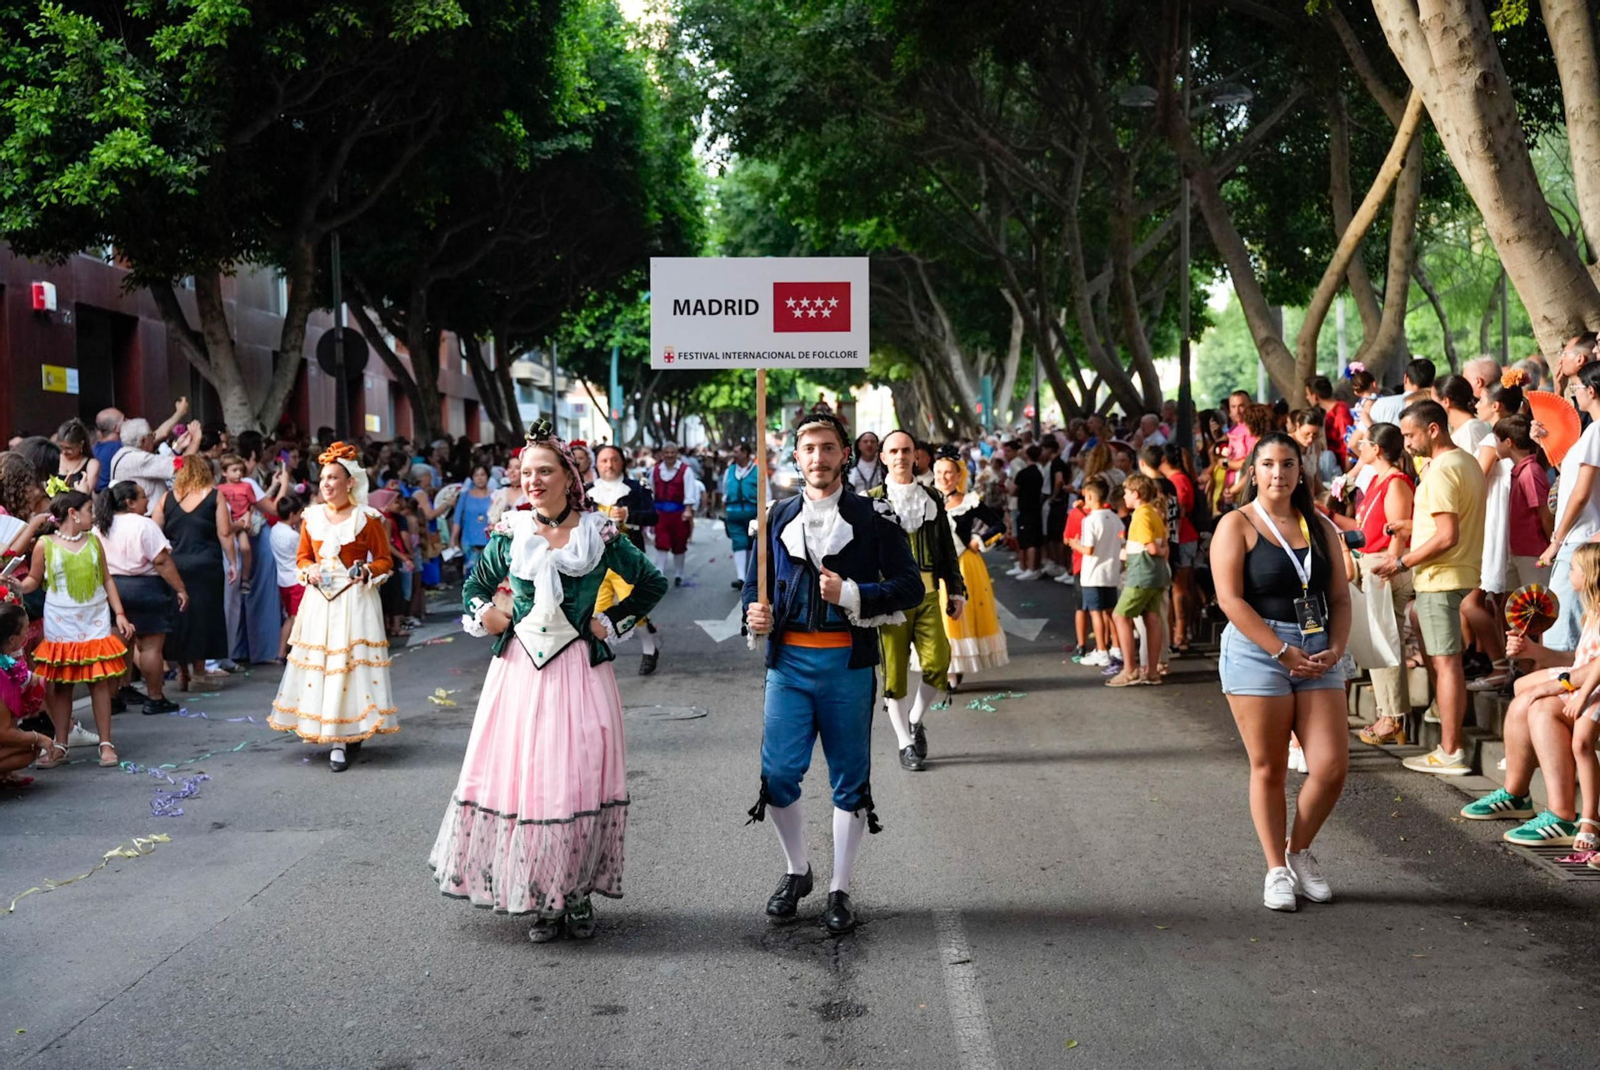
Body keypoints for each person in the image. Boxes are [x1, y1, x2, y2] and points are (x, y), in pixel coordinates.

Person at [432, 422, 667, 942]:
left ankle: (576, 892)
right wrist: (486, 614)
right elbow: (473, 585)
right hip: (518, 673)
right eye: (526, 472)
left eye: (545, 471)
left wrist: (614, 622)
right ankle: (544, 898)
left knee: (575, 778)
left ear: (568, 477)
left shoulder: (599, 532)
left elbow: (651, 582)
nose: (533, 480)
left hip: (580, 673)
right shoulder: (510, 531)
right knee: (531, 780)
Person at [742, 411, 923, 935]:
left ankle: (839, 887)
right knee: (777, 776)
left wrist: (852, 595)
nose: (817, 458)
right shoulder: (775, 516)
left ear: (845, 454)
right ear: (795, 457)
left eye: (827, 448)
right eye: (808, 449)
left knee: (850, 780)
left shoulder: (874, 516)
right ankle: (798, 871)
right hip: (789, 664)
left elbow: (910, 586)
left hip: (846, 662)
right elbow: (760, 590)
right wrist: (754, 615)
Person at [1211, 432, 1351, 911]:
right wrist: (1279, 651)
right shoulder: (1238, 523)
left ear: (1300, 471)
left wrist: (1336, 648)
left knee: (1331, 766)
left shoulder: (1322, 527)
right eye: (1268, 464)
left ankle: (1298, 853)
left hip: (1317, 648)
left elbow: (1339, 598)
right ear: (1253, 472)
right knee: (1269, 766)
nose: (1278, 473)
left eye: (1287, 464)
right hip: (1258, 650)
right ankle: (1275, 869)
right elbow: (1229, 600)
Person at [1460, 543, 1600, 852]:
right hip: (1589, 681)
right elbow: (1580, 658)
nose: (1566, 572)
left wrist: (1559, 686)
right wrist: (1534, 653)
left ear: (1588, 576)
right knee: (1523, 690)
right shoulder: (1591, 611)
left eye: (1572, 568)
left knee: (1538, 707)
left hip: (1595, 689)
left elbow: (1593, 666)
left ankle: (1562, 814)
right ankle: (1517, 792)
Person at [1375, 401, 1486, 777]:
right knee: (1446, 661)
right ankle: (1449, 745)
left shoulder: (1439, 471)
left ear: (1434, 428)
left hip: (1441, 577)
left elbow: (1447, 535)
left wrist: (1401, 561)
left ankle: (1450, 749)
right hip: (1458, 572)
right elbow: (1450, 524)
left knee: (1446, 663)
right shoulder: (1465, 461)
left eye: (1410, 434)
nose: (1405, 443)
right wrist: (1409, 527)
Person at [870, 429, 966, 771]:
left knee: (939, 662)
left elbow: (946, 550)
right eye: (893, 451)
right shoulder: (870, 500)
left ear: (916, 456)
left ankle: (915, 718)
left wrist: (955, 589)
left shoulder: (932, 498)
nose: (900, 456)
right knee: (893, 674)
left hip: (927, 595)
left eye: (906, 450)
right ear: (883, 457)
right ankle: (904, 742)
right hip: (890, 598)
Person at [18, 489, 135, 769]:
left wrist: (119, 613)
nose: (93, 515)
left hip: (94, 620)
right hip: (61, 622)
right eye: (90, 510)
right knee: (62, 686)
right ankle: (60, 744)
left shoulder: (94, 541)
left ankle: (106, 744)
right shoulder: (44, 544)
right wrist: (15, 586)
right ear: (73, 513)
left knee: (99, 682)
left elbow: (107, 580)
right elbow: (33, 580)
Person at [1349, 425, 1416, 746]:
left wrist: (1392, 562)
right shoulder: (1377, 480)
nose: (1359, 447)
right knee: (1379, 640)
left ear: (1376, 448)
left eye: (1363, 442)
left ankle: (1392, 717)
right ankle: (1388, 712)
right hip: (1371, 561)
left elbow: (1398, 531)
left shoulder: (1396, 483)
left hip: (1383, 565)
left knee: (1385, 640)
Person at [95, 481, 186, 716]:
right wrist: (180, 589)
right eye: (144, 497)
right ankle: (155, 697)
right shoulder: (144, 525)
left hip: (111, 588)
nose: (148, 501)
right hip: (146, 588)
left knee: (117, 648)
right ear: (130, 502)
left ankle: (112, 698)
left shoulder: (100, 526)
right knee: (150, 647)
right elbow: (161, 560)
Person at [1462, 372, 1526, 691]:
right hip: (1506, 516)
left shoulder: (1491, 440)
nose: (1476, 405)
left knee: (1489, 599)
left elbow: (1476, 481)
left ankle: (1502, 664)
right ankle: (1509, 664)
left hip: (1494, 518)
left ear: (1496, 405)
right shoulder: (1517, 434)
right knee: (1500, 599)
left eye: (1482, 400)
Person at [154, 457, 237, 693]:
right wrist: (232, 562)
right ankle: (200, 670)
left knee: (181, 616)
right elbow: (225, 533)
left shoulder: (167, 498)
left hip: (176, 565)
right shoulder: (214, 495)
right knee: (205, 615)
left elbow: (154, 531)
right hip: (206, 564)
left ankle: (182, 671)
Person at [932, 449, 1008, 689]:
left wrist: (980, 540)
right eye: (939, 473)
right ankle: (942, 664)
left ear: (958, 475)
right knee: (938, 618)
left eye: (948, 473)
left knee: (957, 616)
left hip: (964, 565)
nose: (944, 478)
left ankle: (955, 668)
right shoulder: (926, 499)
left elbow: (999, 525)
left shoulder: (969, 501)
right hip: (934, 567)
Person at [1538, 361, 1600, 651]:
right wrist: (1545, 443)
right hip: (1579, 538)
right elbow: (1572, 478)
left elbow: (1580, 492)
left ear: (1591, 390)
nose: (1575, 392)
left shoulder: (1598, 432)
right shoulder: (1592, 433)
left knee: (1561, 636)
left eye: (1576, 387)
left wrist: (1556, 539)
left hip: (1577, 540)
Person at [590, 444, 663, 674]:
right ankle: (596, 655)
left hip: (627, 560)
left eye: (614, 459)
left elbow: (653, 517)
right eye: (603, 460)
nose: (609, 465)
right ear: (596, 464)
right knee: (596, 609)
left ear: (623, 462)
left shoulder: (636, 488)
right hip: (595, 561)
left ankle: (649, 649)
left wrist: (629, 516)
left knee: (633, 607)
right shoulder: (586, 490)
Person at [1107, 474, 1170, 687]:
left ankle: (1130, 669)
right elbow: (1163, 544)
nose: (1124, 496)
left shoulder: (1141, 515)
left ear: (1136, 494)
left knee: (1120, 615)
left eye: (1126, 492)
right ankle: (1152, 671)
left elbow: (1151, 547)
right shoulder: (1154, 513)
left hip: (1142, 572)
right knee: (1152, 619)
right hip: (1158, 574)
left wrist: (1157, 550)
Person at [1495, 415, 1552, 593]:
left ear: (1509, 442)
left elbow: (1544, 513)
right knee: (1516, 606)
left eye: (1497, 440)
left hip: (1534, 552)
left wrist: (1551, 547)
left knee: (1536, 605)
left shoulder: (1530, 472)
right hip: (1519, 550)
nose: (1495, 445)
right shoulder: (1520, 471)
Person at [1069, 477, 1122, 669]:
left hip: (1092, 573)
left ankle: (1101, 650)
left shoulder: (1090, 520)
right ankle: (1116, 647)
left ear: (1090, 496)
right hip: (1111, 571)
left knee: (1096, 613)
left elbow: (1088, 549)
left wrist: (1075, 544)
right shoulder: (1115, 518)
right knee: (1110, 612)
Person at [0, 603, 50, 784]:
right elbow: (2, 732)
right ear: (13, 640)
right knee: (30, 746)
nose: (28, 634)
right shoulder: (2, 675)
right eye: (26, 629)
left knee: (28, 747)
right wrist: (38, 737)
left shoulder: (7, 666)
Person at [650, 442, 699, 587]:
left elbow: (690, 491)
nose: (670, 455)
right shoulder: (656, 470)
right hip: (660, 513)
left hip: (679, 513)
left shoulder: (685, 470)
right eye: (667, 453)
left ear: (677, 454)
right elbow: (651, 491)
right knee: (661, 543)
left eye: (673, 452)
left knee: (679, 544)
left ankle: (679, 573)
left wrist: (688, 509)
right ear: (662, 454)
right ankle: (660, 573)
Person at [271, 493, 306, 663]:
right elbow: (303, 553)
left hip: (283, 579)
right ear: (292, 514)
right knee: (295, 617)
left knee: (291, 616)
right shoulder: (293, 536)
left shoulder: (275, 530)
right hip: (296, 579)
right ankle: (283, 651)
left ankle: (285, 651)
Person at [723, 442, 762, 589]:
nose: (734, 454)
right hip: (733, 513)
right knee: (739, 543)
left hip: (753, 514)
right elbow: (725, 491)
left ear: (745, 453)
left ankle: (751, 577)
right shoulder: (730, 470)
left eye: (737, 451)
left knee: (753, 544)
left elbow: (767, 493)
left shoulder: (758, 471)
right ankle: (741, 578)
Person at [449, 464, 495, 574]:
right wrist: (453, 539)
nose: (479, 478)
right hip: (469, 541)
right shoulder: (465, 496)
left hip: (490, 541)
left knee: (489, 577)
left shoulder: (495, 495)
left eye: (482, 475)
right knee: (472, 576)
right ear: (472, 478)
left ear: (488, 477)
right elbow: (457, 519)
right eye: (476, 475)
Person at [1368, 357, 1436, 428]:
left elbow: (1360, 434)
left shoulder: (1381, 404)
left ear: (1405, 378)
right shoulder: (1437, 407)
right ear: (1432, 382)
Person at [1010, 444, 1045, 579]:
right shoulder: (1039, 473)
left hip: (1025, 508)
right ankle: (1030, 566)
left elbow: (1013, 490)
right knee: (1034, 539)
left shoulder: (1023, 473)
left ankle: (1028, 567)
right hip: (1036, 508)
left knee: (1027, 540)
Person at [1304, 376, 1354, 468]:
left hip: (1344, 465)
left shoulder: (1340, 412)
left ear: (1315, 396)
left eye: (1308, 394)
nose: (1307, 398)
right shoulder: (1327, 413)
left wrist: (1347, 472)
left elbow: (1347, 443)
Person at [56, 419, 99, 492]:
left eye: (68, 448)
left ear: (81, 444)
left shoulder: (92, 464)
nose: (64, 452)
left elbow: (87, 492)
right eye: (61, 447)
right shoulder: (54, 458)